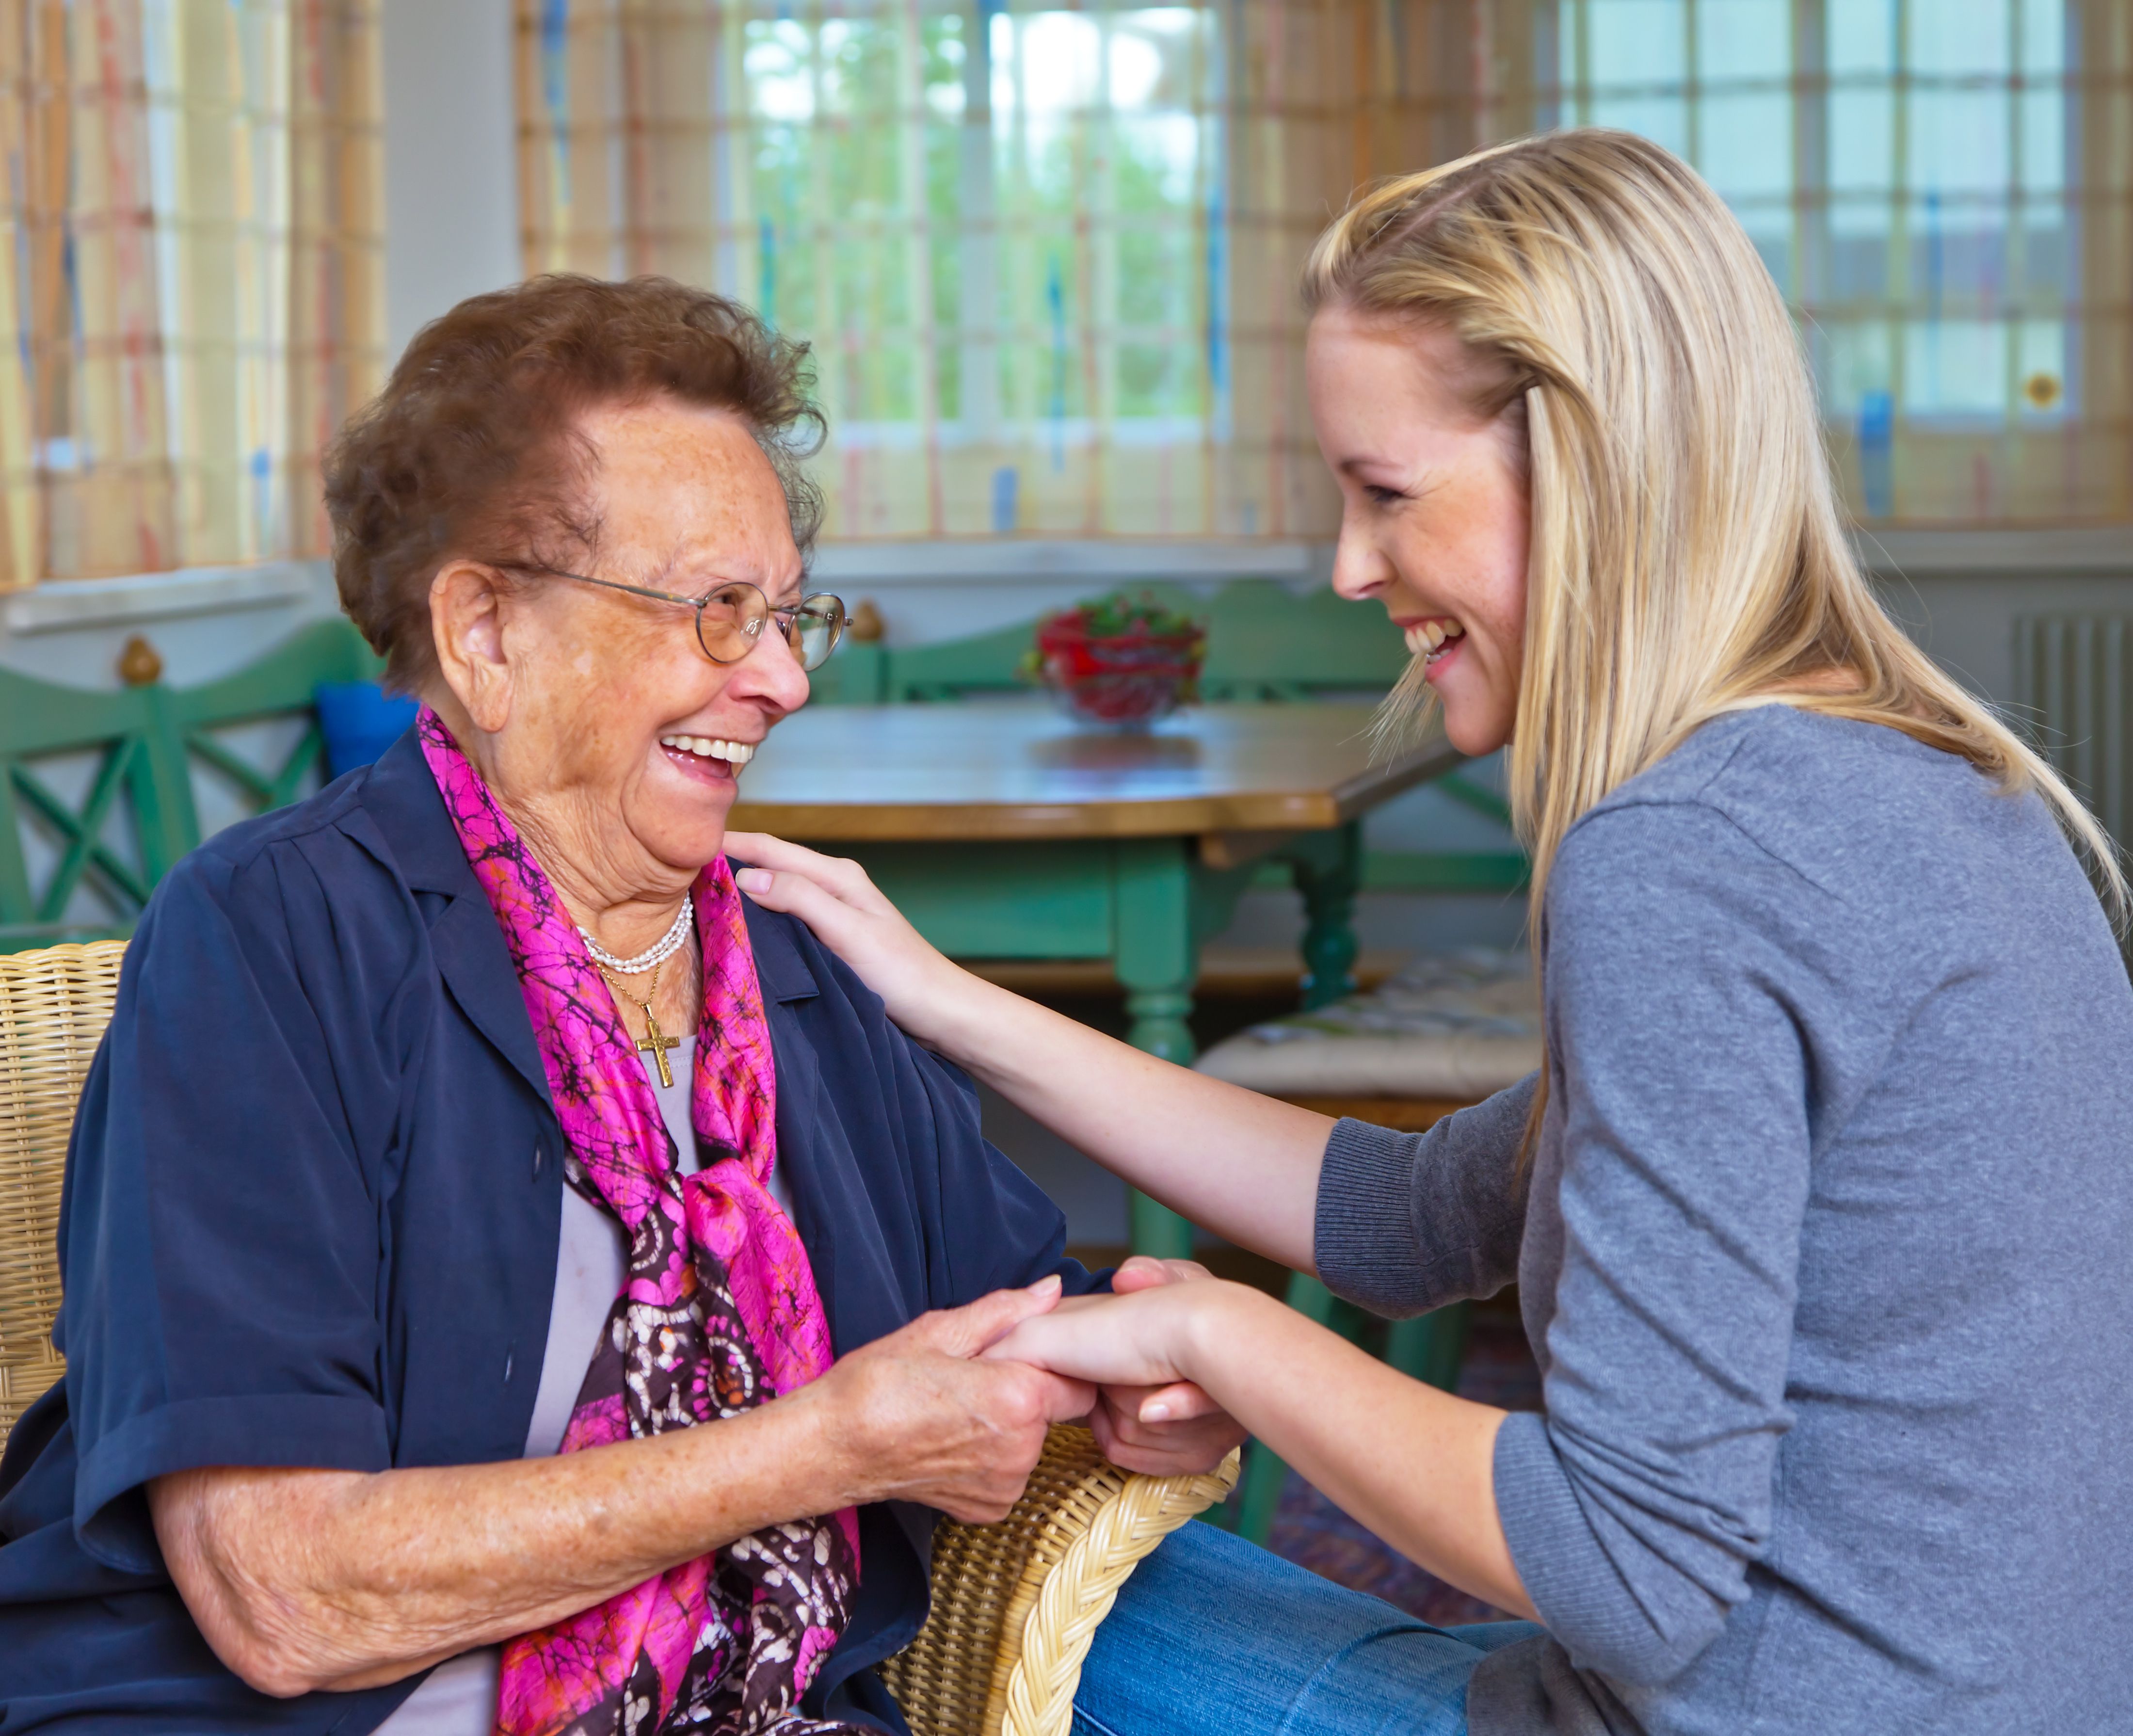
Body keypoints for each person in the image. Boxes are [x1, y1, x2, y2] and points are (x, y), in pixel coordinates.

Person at [729, 130, 2133, 1735]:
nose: (1345, 565)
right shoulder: (1931, 780)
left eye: (1386, 491)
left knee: (920, 1584)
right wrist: (947, 998)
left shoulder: (1685, 854)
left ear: (1596, 466)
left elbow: (1627, 1560)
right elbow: (1405, 1214)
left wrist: (1217, 1332)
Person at [0, 276, 1237, 1735]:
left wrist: (1133, 1378)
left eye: (789, 615)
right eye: (718, 611)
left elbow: (1004, 1310)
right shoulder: (271, 938)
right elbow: (281, 1593)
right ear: (487, 634)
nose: (779, 679)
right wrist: (815, 1450)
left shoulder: (795, 954)